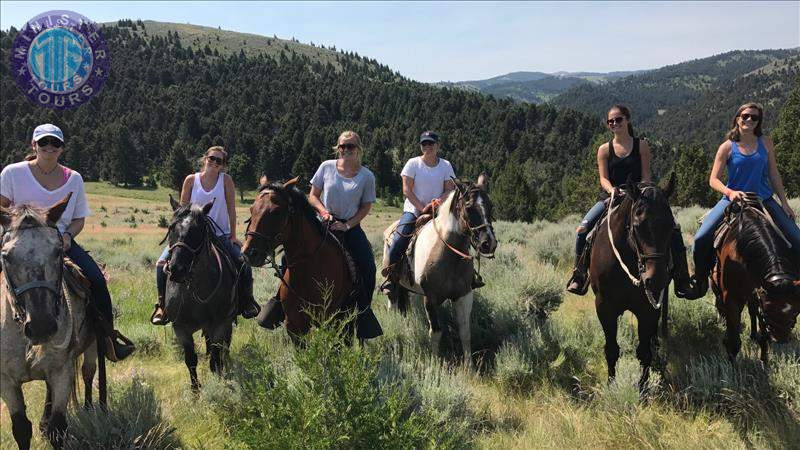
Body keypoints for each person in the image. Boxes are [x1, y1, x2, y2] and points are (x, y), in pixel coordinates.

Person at [0, 124, 135, 361]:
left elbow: (78, 219)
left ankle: (108, 340)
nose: (49, 147)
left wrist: (67, 236)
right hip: (20, 244)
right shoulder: (13, 173)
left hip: (58, 244)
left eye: (55, 143)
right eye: (44, 143)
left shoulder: (74, 179)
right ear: (34, 145)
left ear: (62, 149)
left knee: (96, 280)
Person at [257, 131, 382, 339]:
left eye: (350, 147)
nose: (345, 151)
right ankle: (279, 303)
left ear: (358, 149)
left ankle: (362, 314)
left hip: (349, 227)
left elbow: (366, 207)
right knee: (288, 257)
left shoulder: (367, 176)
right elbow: (313, 196)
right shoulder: (326, 167)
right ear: (337, 148)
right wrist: (324, 213)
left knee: (368, 266)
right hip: (322, 221)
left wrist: (348, 225)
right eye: (342, 146)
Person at [566, 105, 692, 297]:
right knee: (583, 230)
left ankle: (682, 277)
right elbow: (603, 178)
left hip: (639, 196)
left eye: (618, 120)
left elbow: (646, 174)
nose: (615, 123)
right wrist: (612, 191)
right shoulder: (604, 150)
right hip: (612, 196)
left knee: (672, 228)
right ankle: (579, 274)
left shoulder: (641, 145)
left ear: (627, 120)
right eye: (611, 121)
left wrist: (642, 192)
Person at [687, 102, 800, 299]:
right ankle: (700, 279)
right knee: (700, 238)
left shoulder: (766, 142)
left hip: (764, 200)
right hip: (733, 201)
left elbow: (774, 174)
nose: (749, 120)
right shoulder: (727, 147)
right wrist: (730, 193)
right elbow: (713, 179)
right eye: (745, 116)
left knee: (797, 238)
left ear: (759, 122)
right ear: (737, 119)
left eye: (754, 117)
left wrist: (784, 202)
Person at [151, 146, 260, 325]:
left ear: (223, 165)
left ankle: (246, 302)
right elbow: (182, 210)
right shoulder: (191, 180)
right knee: (161, 264)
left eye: (220, 161)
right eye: (212, 158)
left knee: (243, 262)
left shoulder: (226, 181)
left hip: (220, 234)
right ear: (205, 159)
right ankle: (162, 306)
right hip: (191, 236)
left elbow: (231, 210)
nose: (215, 163)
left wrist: (233, 235)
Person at [381, 131, 460, 295]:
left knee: (460, 234)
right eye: (424, 144)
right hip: (413, 209)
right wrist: (422, 207)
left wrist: (436, 203)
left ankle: (467, 276)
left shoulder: (445, 165)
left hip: (439, 210)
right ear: (421, 146)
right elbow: (407, 190)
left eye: (431, 143)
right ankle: (391, 276)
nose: (428, 147)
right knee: (399, 238)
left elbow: (449, 189)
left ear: (437, 145)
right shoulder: (412, 163)